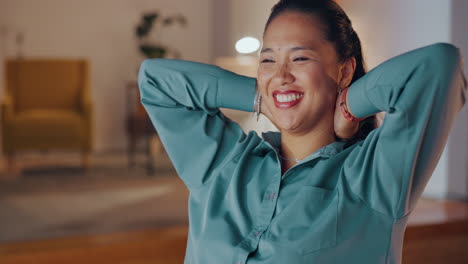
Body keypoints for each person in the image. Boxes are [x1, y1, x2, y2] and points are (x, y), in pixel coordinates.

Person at [138, 0, 467, 263]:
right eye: (268, 60)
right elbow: (155, 81)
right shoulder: (224, 163)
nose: (281, 75)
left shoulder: (373, 177)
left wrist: (349, 105)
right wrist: (259, 97)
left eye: (300, 57)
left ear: (344, 69)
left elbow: (439, 66)